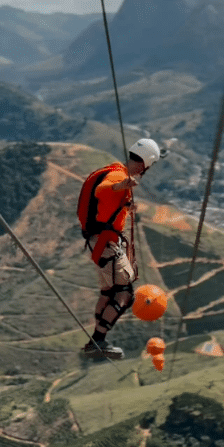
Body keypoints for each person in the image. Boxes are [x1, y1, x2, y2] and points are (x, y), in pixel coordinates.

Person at [79, 138, 161, 359]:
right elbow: (104, 190)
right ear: (145, 164)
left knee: (108, 292)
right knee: (124, 294)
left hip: (99, 243)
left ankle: (95, 341)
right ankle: (98, 341)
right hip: (106, 244)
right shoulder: (118, 175)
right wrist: (121, 186)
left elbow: (105, 202)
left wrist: (124, 203)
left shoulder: (115, 170)